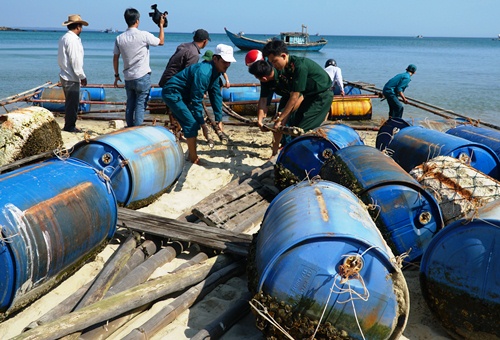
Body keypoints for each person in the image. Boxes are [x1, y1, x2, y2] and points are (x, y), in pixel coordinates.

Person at [162, 44, 236, 165]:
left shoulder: (216, 72)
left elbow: (216, 95)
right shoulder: (204, 73)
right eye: (225, 61)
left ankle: (189, 153)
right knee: (192, 124)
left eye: (229, 62)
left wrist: (219, 119)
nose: (227, 65)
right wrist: (203, 125)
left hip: (185, 95)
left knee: (191, 123)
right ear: (215, 59)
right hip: (172, 93)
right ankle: (193, 158)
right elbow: (196, 100)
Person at [259, 40, 333, 155]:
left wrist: (280, 118)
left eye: (274, 61)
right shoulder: (286, 68)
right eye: (271, 62)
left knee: (303, 130)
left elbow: (294, 96)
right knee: (295, 127)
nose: (273, 65)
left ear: (283, 56)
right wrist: (283, 117)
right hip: (308, 97)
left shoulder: (299, 66)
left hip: (321, 97)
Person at [113, 8, 165, 127]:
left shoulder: (119, 38)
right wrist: (161, 26)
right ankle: (136, 130)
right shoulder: (143, 35)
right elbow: (161, 42)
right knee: (141, 105)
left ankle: (129, 128)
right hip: (142, 75)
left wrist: (116, 75)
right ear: (137, 21)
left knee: (130, 104)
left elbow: (115, 58)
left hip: (128, 77)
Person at [58, 14, 89, 133]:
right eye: (80, 26)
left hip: (65, 73)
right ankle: (70, 126)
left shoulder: (64, 38)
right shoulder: (72, 40)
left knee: (70, 102)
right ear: (78, 27)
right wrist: (82, 76)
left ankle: (69, 125)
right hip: (71, 76)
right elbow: (75, 60)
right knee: (72, 104)